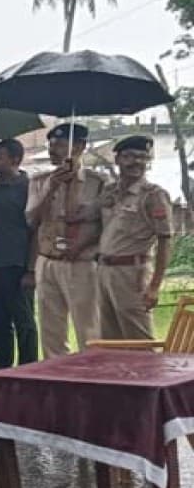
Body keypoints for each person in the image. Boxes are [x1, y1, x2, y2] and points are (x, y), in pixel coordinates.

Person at [27, 123, 106, 358]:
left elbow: (106, 224)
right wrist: (51, 188)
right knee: (51, 330)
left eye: (60, 145)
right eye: (50, 145)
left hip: (81, 263)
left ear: (80, 147)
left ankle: (94, 379)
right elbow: (31, 219)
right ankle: (57, 383)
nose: (53, 150)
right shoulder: (40, 181)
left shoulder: (98, 183)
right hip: (48, 259)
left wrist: (82, 245)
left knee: (88, 327)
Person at [97, 136, 173, 341]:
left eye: (142, 157)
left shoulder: (153, 195)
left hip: (132, 273)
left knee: (139, 340)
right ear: (118, 160)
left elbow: (165, 240)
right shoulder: (109, 192)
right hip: (104, 271)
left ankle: (149, 375)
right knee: (109, 341)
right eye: (129, 156)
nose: (136, 162)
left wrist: (155, 286)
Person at [0, 138, 39, 369]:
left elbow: (35, 230)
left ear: (15, 159)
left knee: (23, 321)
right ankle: (3, 366)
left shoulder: (27, 187)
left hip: (17, 264)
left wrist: (31, 269)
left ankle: (29, 368)